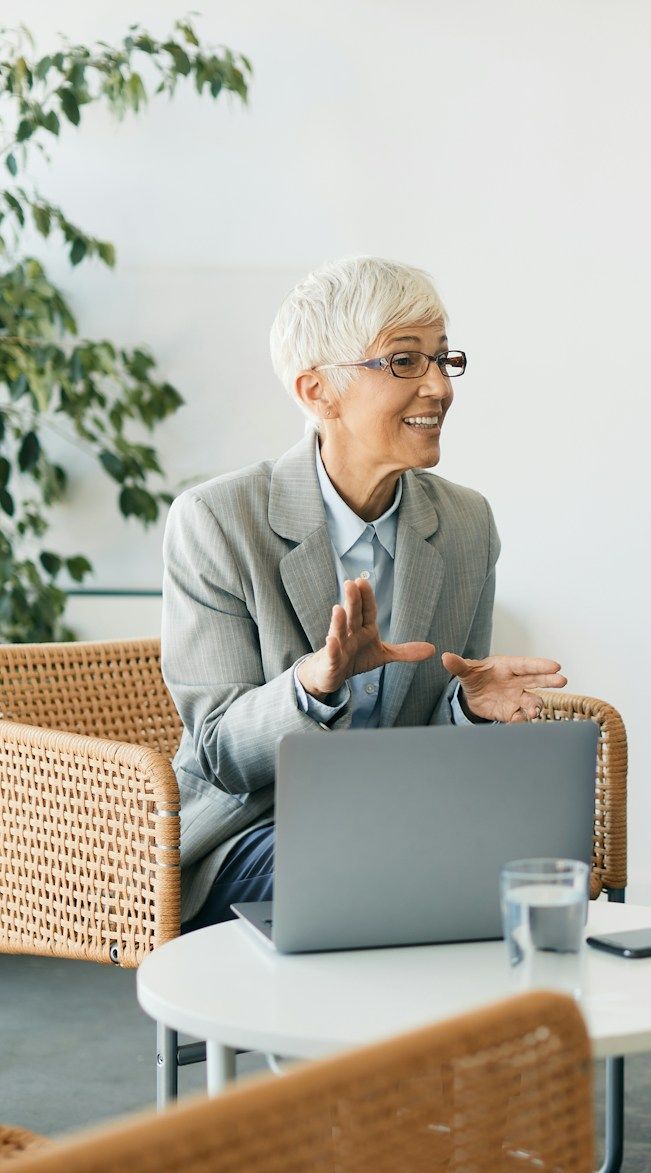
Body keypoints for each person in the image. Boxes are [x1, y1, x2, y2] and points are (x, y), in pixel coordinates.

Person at [160, 256, 566, 932]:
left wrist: (466, 710)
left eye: (443, 359)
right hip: (250, 830)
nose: (439, 387)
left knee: (527, 864)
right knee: (382, 867)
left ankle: (491, 1036)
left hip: (403, 819)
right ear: (319, 392)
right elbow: (215, 754)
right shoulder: (216, 521)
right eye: (405, 362)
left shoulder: (466, 525)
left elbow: (432, 735)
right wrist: (312, 687)